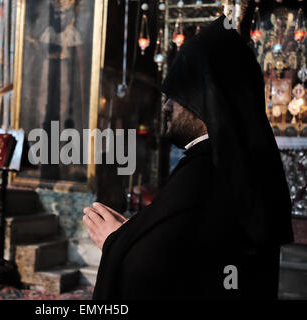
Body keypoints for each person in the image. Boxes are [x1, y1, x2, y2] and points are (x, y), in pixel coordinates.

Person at [83, 15, 293, 299]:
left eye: (175, 97)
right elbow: (189, 252)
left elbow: (162, 278)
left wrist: (115, 243)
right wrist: (134, 234)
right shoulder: (234, 163)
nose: (166, 107)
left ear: (205, 97)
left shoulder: (206, 171)